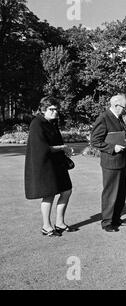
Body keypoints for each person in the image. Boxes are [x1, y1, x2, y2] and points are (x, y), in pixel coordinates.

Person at [24, 97, 75, 237]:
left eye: (56, 109)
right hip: (45, 165)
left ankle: (60, 223)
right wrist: (63, 147)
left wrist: (63, 151)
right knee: (49, 194)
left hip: (57, 163)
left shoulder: (52, 122)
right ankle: (46, 226)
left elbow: (55, 143)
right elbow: (41, 148)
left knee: (66, 191)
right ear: (42, 109)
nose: (55, 112)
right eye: (51, 109)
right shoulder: (37, 123)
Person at [90, 94, 126, 232]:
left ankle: (116, 218)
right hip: (111, 161)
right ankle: (107, 222)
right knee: (110, 192)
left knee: (120, 192)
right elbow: (95, 141)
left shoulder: (118, 118)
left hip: (121, 160)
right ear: (115, 105)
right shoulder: (104, 118)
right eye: (124, 107)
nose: (125, 110)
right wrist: (112, 148)